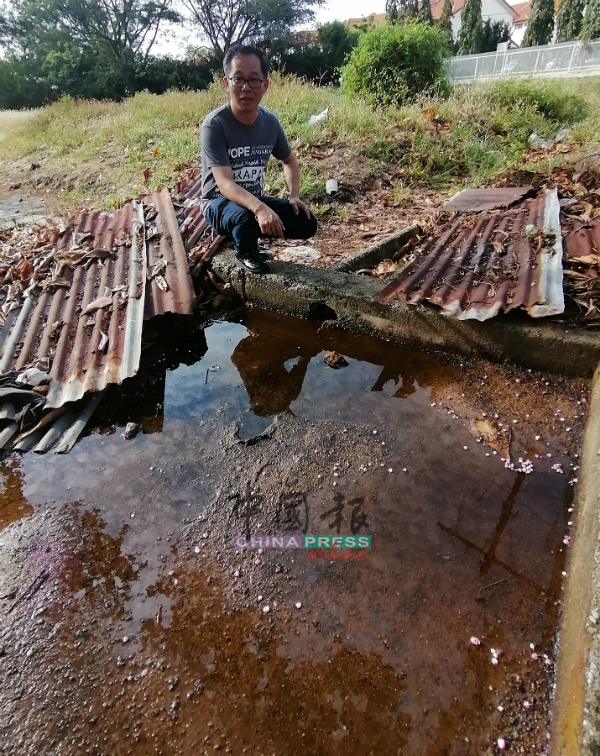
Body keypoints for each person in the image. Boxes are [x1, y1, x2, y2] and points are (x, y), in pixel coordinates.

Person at [200, 44, 318, 274]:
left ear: (265, 85)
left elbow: (289, 161)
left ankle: (249, 229)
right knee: (244, 216)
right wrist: (259, 208)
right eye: (238, 79)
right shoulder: (215, 125)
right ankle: (244, 249)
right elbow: (224, 184)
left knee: (306, 222)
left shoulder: (270, 122)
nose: (246, 87)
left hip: (253, 200)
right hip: (218, 203)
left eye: (254, 79)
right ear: (227, 84)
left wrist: (294, 196)